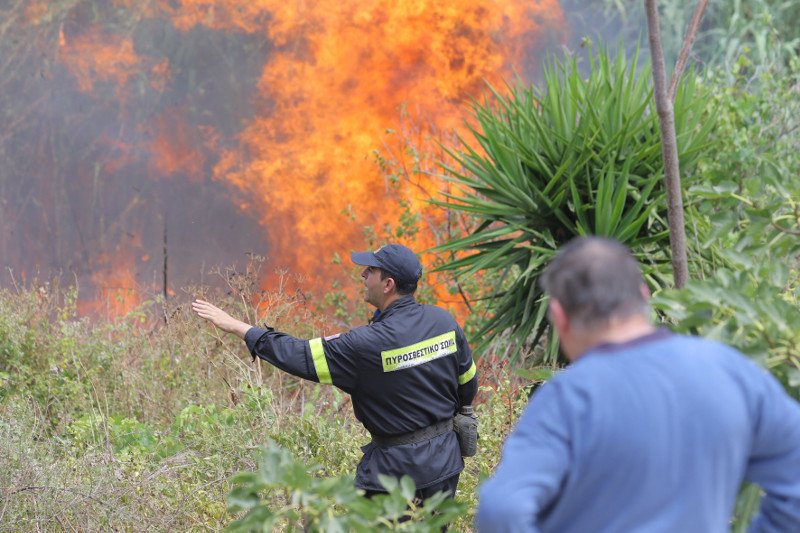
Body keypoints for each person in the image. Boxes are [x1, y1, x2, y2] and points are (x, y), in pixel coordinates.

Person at [476, 236, 800, 533]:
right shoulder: (730, 369)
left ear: (559, 316)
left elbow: (501, 510)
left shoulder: (568, 399)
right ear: (643, 295)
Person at [192, 243, 477, 503]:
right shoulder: (444, 321)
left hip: (395, 476)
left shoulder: (365, 344)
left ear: (388, 284)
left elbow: (300, 355)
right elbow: (467, 383)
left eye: (371, 270)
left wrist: (238, 327)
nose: (363, 275)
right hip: (444, 465)